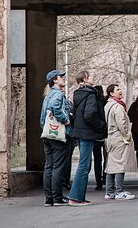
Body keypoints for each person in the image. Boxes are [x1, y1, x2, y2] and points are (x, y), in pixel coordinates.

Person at [68, 71, 107, 206]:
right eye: (91, 76)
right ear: (85, 78)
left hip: (80, 132)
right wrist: (101, 125)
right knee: (84, 166)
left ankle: (79, 196)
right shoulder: (90, 95)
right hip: (87, 133)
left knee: (85, 165)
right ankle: (75, 197)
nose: (93, 78)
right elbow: (89, 114)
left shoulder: (79, 94)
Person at [40, 69, 72, 207]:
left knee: (49, 166)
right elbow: (55, 107)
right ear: (54, 80)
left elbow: (43, 118)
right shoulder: (58, 94)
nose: (62, 78)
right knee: (58, 166)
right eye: (60, 77)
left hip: (47, 134)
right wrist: (65, 120)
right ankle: (57, 197)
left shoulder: (48, 95)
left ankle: (49, 198)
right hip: (58, 135)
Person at [104, 84, 137, 200]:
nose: (120, 91)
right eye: (118, 90)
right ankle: (119, 191)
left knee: (110, 165)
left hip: (109, 138)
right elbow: (122, 124)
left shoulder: (107, 106)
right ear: (111, 93)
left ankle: (109, 191)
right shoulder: (117, 107)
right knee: (119, 165)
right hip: (118, 138)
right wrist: (127, 135)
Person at [92, 85, 106, 190]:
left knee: (97, 159)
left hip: (95, 134)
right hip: (105, 133)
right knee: (107, 158)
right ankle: (106, 177)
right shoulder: (105, 102)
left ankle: (98, 182)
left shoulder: (93, 103)